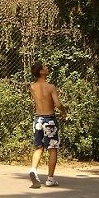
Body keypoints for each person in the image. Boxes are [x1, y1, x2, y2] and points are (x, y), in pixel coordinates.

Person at [28, 61, 67, 189]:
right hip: (49, 119)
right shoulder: (51, 87)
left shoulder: (32, 87)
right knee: (52, 148)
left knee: (38, 147)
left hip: (38, 119)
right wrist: (63, 112)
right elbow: (57, 103)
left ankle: (33, 170)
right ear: (41, 71)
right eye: (44, 67)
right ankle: (50, 178)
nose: (47, 68)